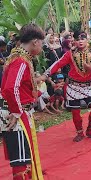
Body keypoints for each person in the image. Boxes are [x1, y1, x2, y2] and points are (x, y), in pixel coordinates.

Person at [1, 23, 45, 180]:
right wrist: (16, 111)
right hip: (16, 114)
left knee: (24, 156)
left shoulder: (18, 56)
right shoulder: (21, 60)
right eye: (42, 42)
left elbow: (18, 87)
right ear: (35, 42)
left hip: (18, 110)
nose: (42, 46)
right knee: (21, 161)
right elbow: (10, 88)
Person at [44, 31, 91, 142]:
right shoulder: (70, 54)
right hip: (73, 86)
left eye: (83, 38)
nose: (80, 41)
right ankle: (80, 132)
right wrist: (46, 74)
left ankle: (90, 131)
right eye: (77, 39)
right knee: (75, 111)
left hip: (87, 86)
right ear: (74, 41)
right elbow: (58, 63)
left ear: (87, 40)